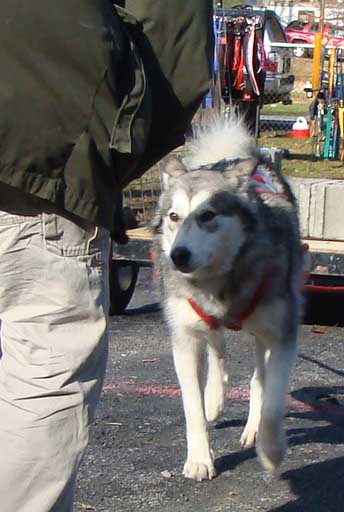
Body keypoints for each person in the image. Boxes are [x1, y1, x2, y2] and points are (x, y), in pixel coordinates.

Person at [0, 2, 213, 510]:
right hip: (44, 148)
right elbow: (175, 43)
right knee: (44, 375)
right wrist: (104, 162)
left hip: (41, 148)